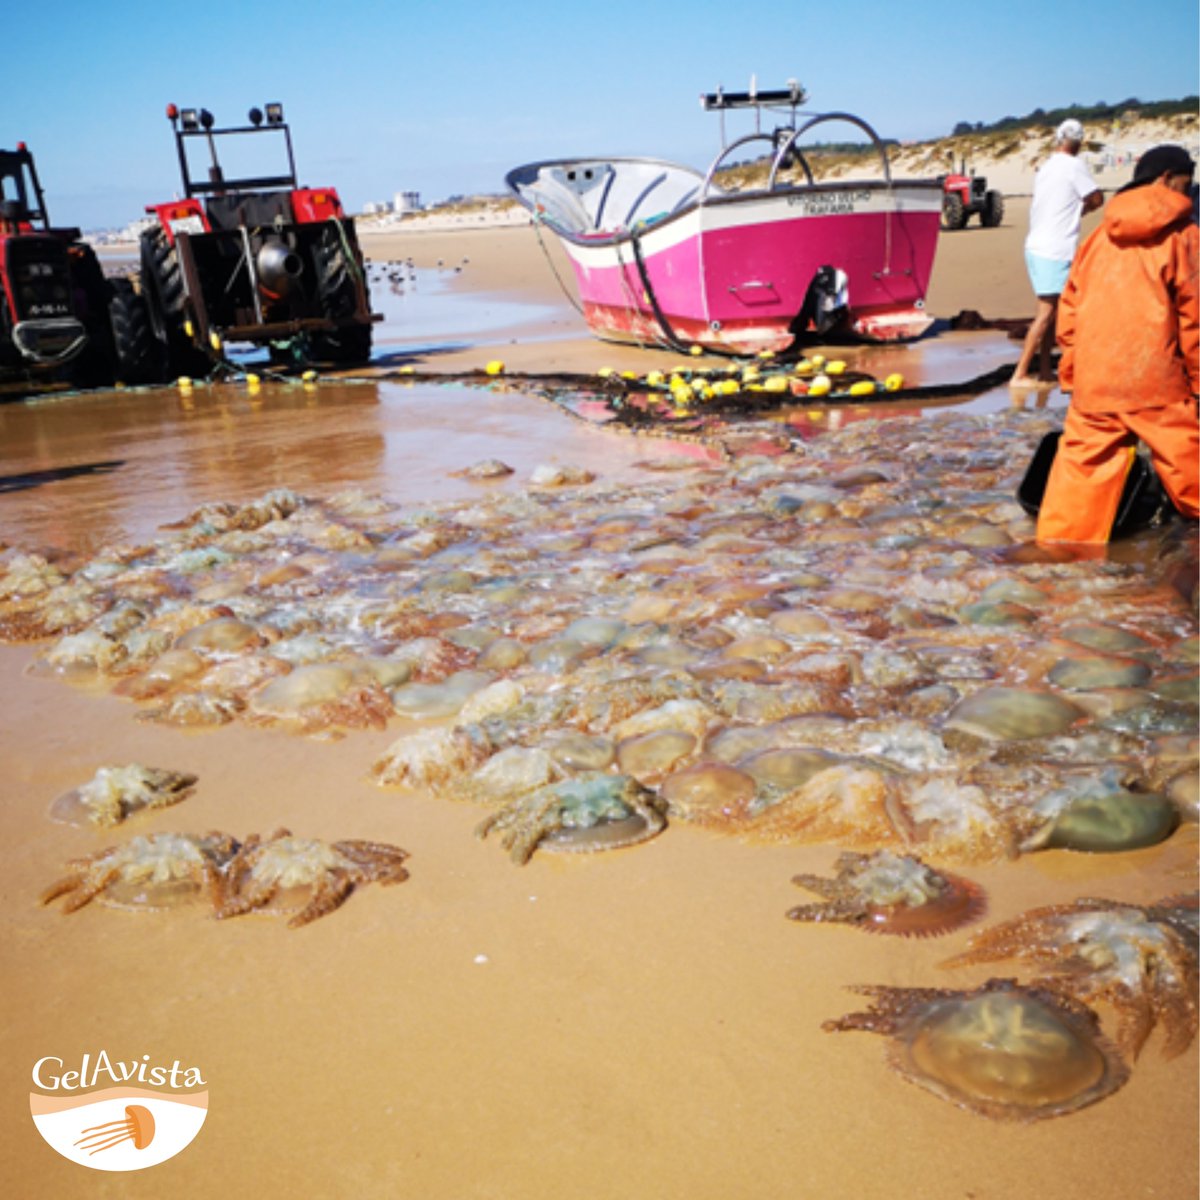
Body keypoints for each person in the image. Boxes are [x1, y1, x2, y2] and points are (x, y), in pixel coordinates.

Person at [1036, 143, 1198, 545]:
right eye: (1186, 183)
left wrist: (1072, 375)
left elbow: (1069, 314)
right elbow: (1194, 317)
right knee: (1192, 477)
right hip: (1155, 381)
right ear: (1165, 179)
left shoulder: (1096, 239)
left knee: (1071, 517)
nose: (1188, 193)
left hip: (1096, 382)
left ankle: (1057, 580)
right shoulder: (1185, 236)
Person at [1012, 119, 1103, 387]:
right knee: (1046, 313)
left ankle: (1043, 370)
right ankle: (1020, 373)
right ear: (1079, 143)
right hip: (1055, 249)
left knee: (1050, 312)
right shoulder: (1074, 166)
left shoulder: (1047, 166)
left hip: (1036, 245)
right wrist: (1082, 210)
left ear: (1058, 139)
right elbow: (1097, 198)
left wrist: (1075, 210)